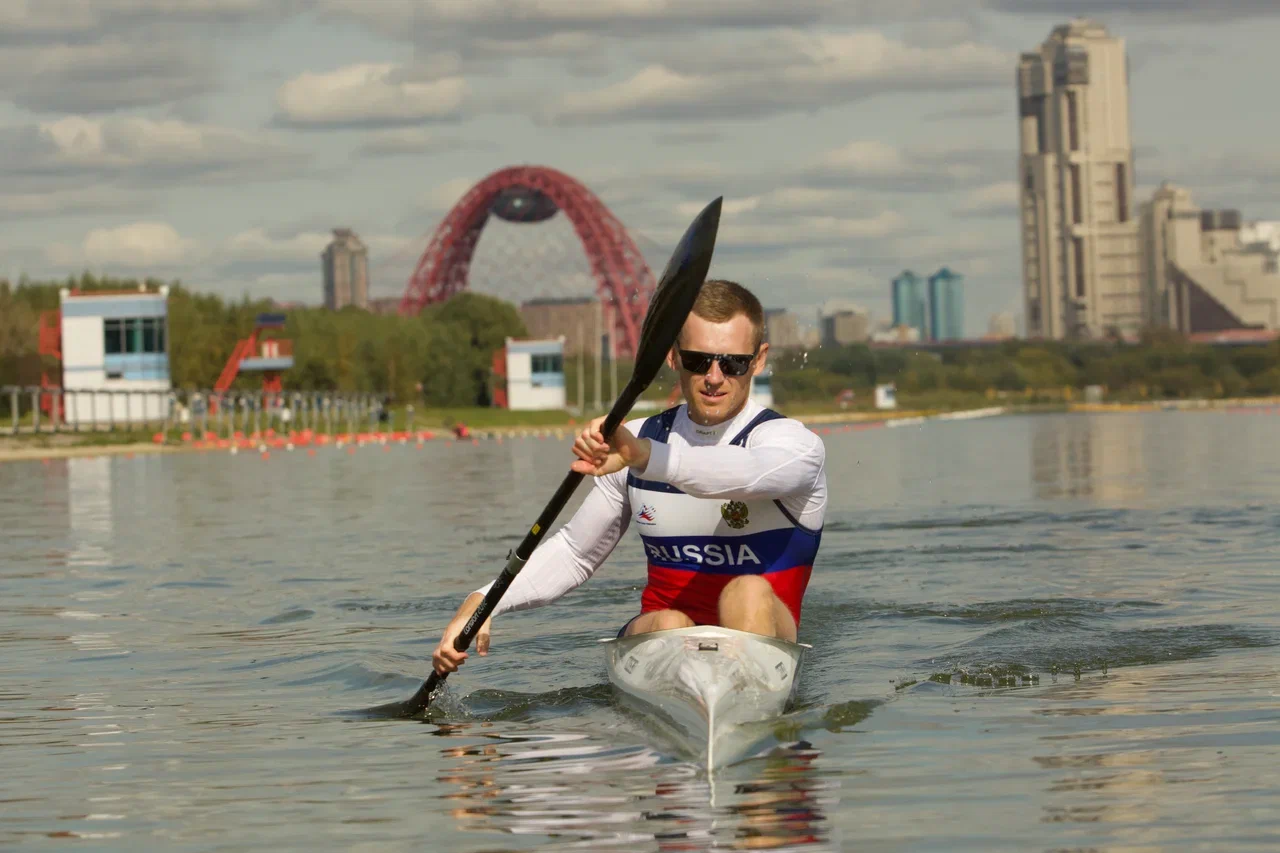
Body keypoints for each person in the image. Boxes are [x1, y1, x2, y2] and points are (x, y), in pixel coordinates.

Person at [431, 279, 827, 677]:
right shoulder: (636, 440)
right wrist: (483, 601)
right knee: (672, 623)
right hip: (663, 636)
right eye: (697, 360)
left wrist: (647, 458)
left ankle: (745, 703)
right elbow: (575, 554)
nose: (714, 377)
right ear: (672, 357)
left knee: (749, 590)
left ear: (758, 361)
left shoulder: (793, 445)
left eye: (733, 363)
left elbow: (748, 475)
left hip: (764, 637)